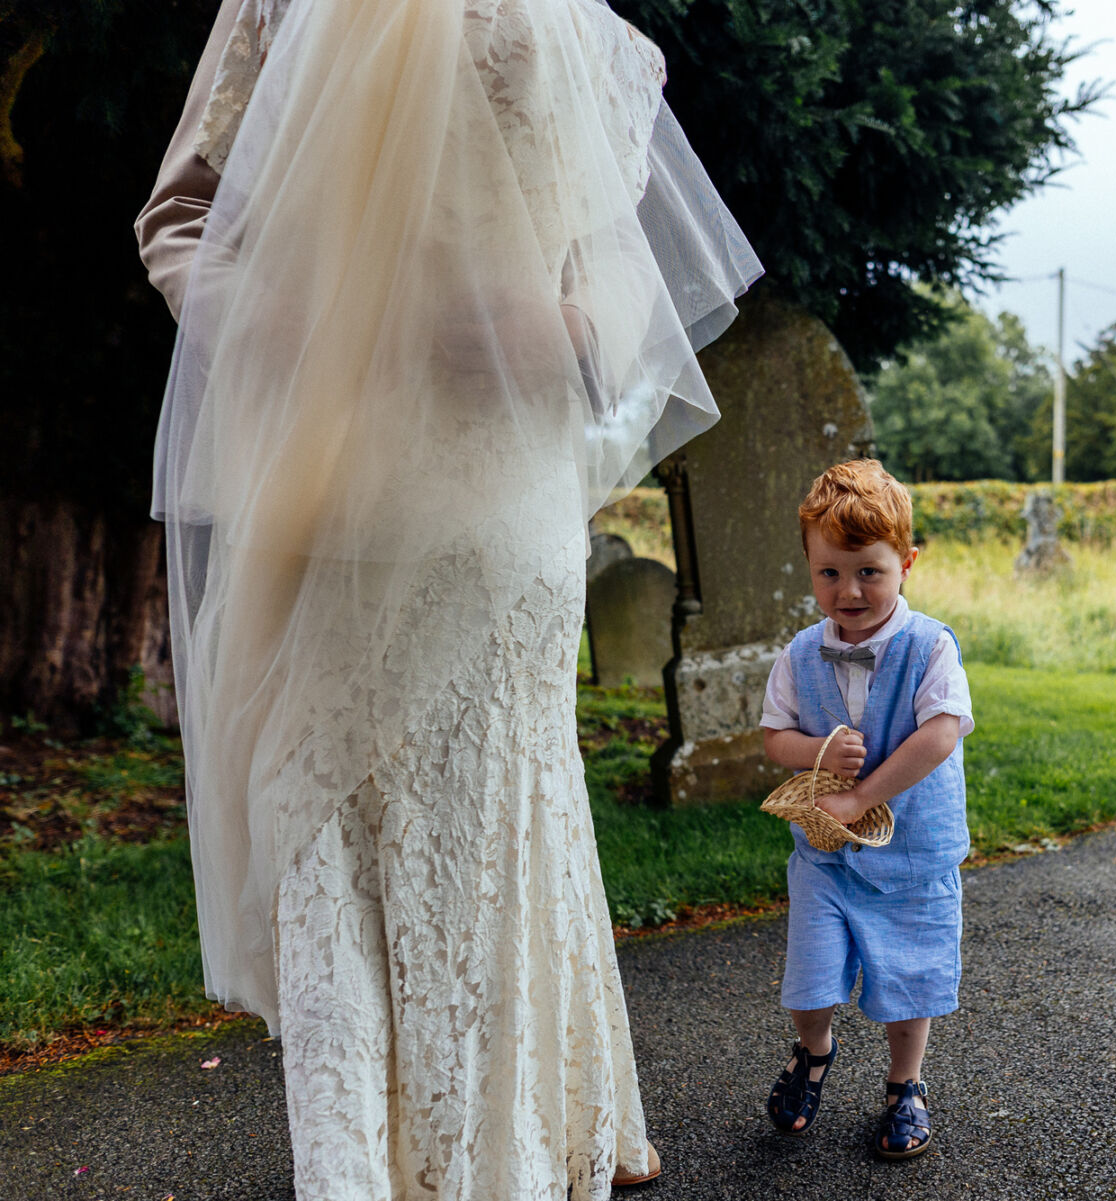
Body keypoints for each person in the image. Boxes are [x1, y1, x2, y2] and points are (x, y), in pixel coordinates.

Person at [135, 0, 760, 1196]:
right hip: (330, 486)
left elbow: (618, 261)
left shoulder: (582, 24)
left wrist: (571, 331)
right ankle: (359, 1167)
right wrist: (311, 332)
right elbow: (179, 215)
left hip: (498, 493)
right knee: (321, 815)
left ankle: (546, 1128)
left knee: (506, 810)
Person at [758, 459, 974, 1160]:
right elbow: (774, 738)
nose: (848, 591)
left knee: (910, 980)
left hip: (912, 851)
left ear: (906, 563)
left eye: (868, 572)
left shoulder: (930, 646)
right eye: (829, 573)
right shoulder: (798, 653)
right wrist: (817, 749)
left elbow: (939, 733)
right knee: (810, 975)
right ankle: (814, 1049)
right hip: (825, 854)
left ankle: (904, 1084)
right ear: (809, 568)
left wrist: (859, 794)